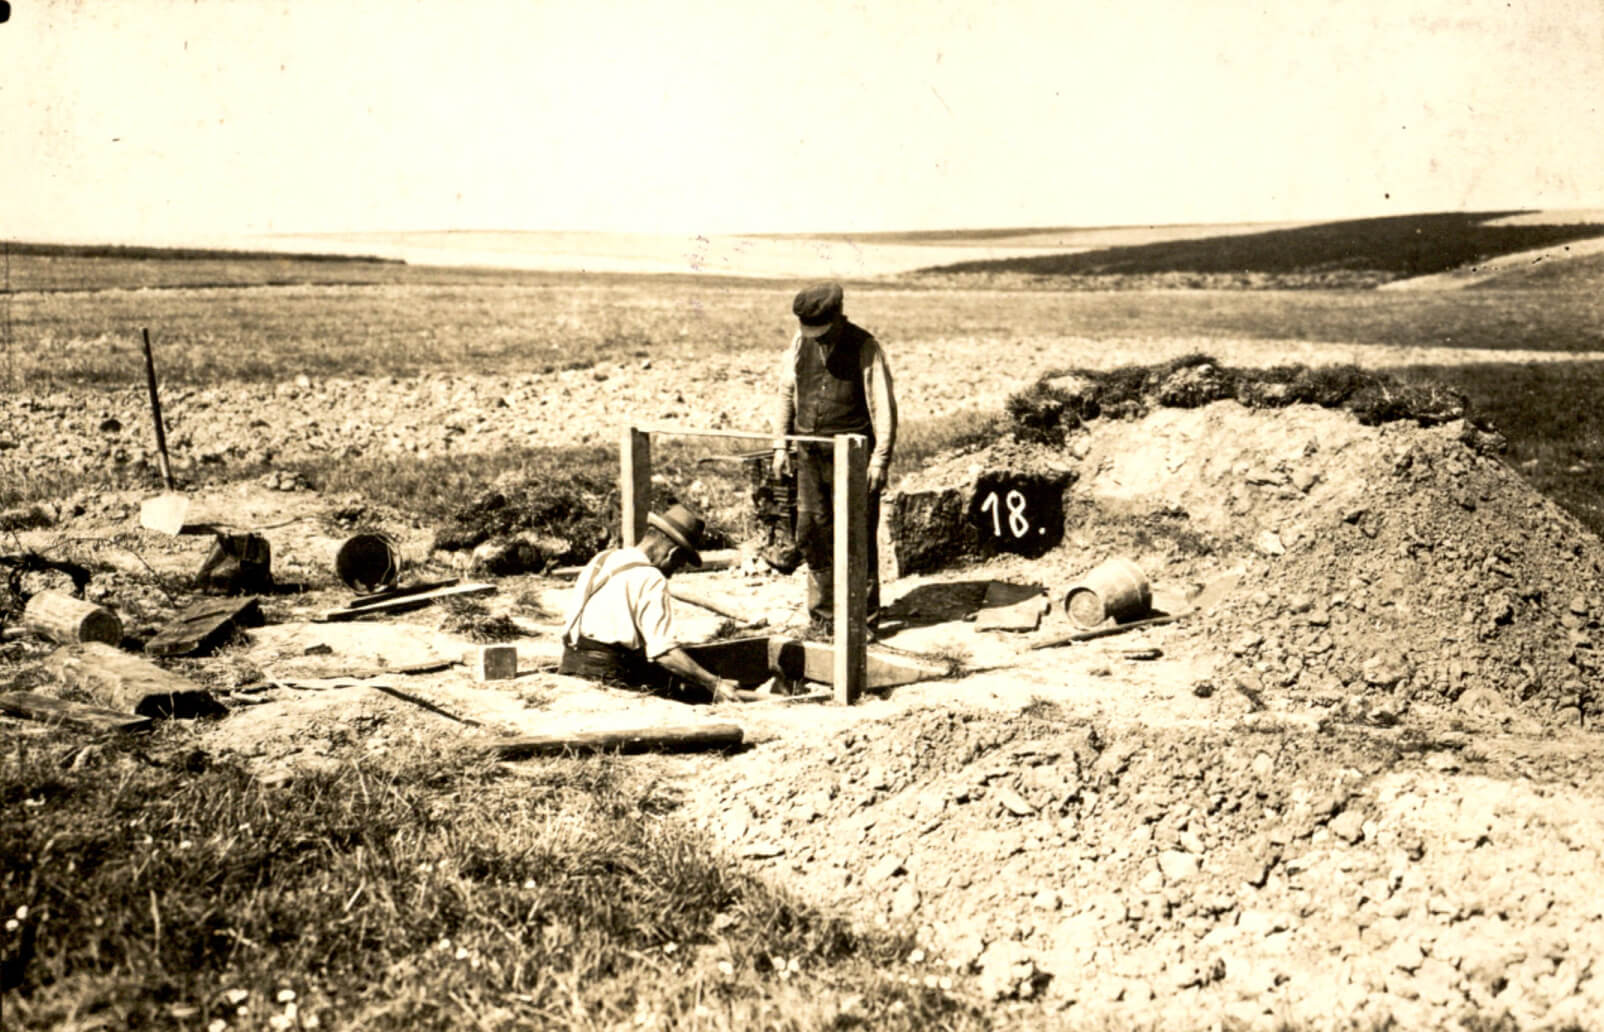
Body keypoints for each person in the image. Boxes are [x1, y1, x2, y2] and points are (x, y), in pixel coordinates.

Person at [771, 282, 897, 629]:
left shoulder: (865, 346)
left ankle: (862, 621)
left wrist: (880, 459)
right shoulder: (800, 343)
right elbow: (786, 394)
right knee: (813, 533)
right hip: (809, 456)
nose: (817, 338)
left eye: (823, 331)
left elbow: (882, 406)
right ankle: (823, 618)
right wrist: (781, 445)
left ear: (838, 318)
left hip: (853, 459)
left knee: (856, 536)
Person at [559, 502, 740, 702]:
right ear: (672, 553)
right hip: (607, 675)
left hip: (569, 664)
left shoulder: (603, 558)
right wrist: (714, 683)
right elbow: (663, 653)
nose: (672, 573)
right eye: (678, 565)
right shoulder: (651, 577)